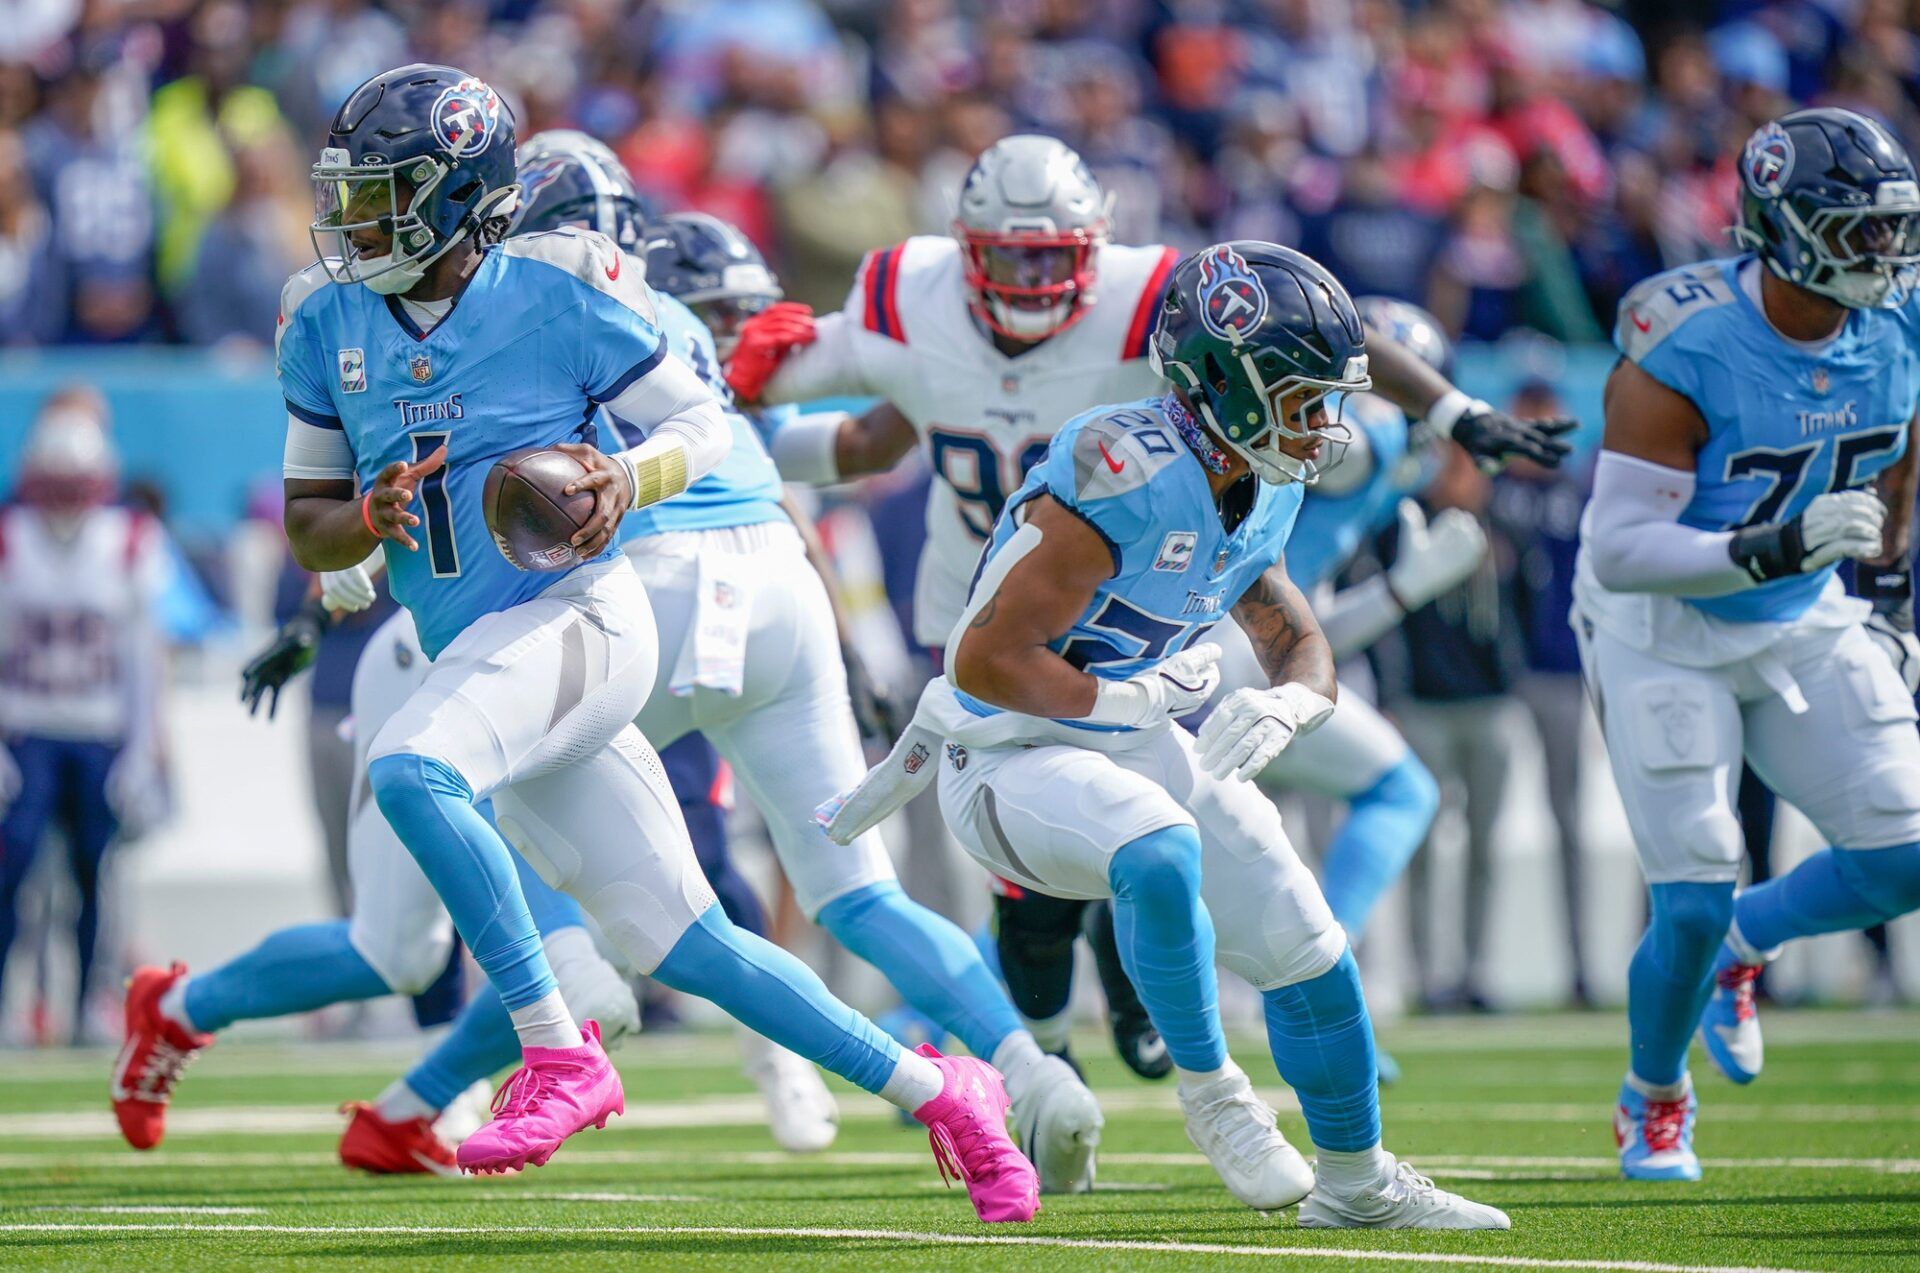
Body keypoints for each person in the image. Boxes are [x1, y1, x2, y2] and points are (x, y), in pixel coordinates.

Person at [110, 64, 1036, 1220]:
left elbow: (705, 423)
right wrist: (369, 517)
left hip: (584, 618)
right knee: (689, 941)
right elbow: (308, 520)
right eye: (346, 195)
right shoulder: (324, 320)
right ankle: (945, 1091)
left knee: (412, 767)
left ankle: (557, 1051)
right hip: (477, 649)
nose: (353, 222)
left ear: (462, 201)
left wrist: (625, 477)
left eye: (381, 197)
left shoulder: (553, 289)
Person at [731, 133, 1570, 1084]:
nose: (1031, 282)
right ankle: (1029, 1048)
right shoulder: (909, 300)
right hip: (982, 612)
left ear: (1095, 245)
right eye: (1008, 258)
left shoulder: (1154, 305)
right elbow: (861, 438)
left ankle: (1136, 1015)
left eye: (1050, 258)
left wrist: (1450, 411)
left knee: (1132, 826)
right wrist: (727, 413)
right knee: (1036, 877)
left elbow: (1306, 327)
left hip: (1140, 609)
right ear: (963, 248)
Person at [824, 242, 1513, 1229]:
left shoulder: (1263, 477)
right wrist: (1131, 700)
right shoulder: (1125, 472)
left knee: (1306, 939)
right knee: (1158, 844)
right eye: (1304, 398)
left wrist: (1290, 702)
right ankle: (1214, 1096)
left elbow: (1294, 635)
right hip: (1004, 750)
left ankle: (1358, 1184)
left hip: (1126, 739)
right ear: (1225, 384)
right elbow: (983, 660)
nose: (1326, 424)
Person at [1573, 107, 1920, 1181]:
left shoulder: (1899, 324)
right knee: (1689, 892)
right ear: (1785, 228)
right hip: (1661, 626)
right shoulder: (1686, 339)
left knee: (1906, 850)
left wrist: (1890, 598)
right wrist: (1777, 546)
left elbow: (1898, 452)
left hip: (1802, 608)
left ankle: (1748, 940)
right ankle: (1653, 1097)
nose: (1885, 250)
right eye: (1859, 228)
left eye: (1894, 226)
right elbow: (1621, 547)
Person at [0, 390, 167, 1040]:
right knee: (11, 873)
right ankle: (14, 1000)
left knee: (97, 874)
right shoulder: (11, 540)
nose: (67, 502)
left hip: (99, 732)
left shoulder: (129, 541)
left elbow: (144, 660)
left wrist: (141, 750)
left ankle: (94, 999)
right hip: (26, 730)